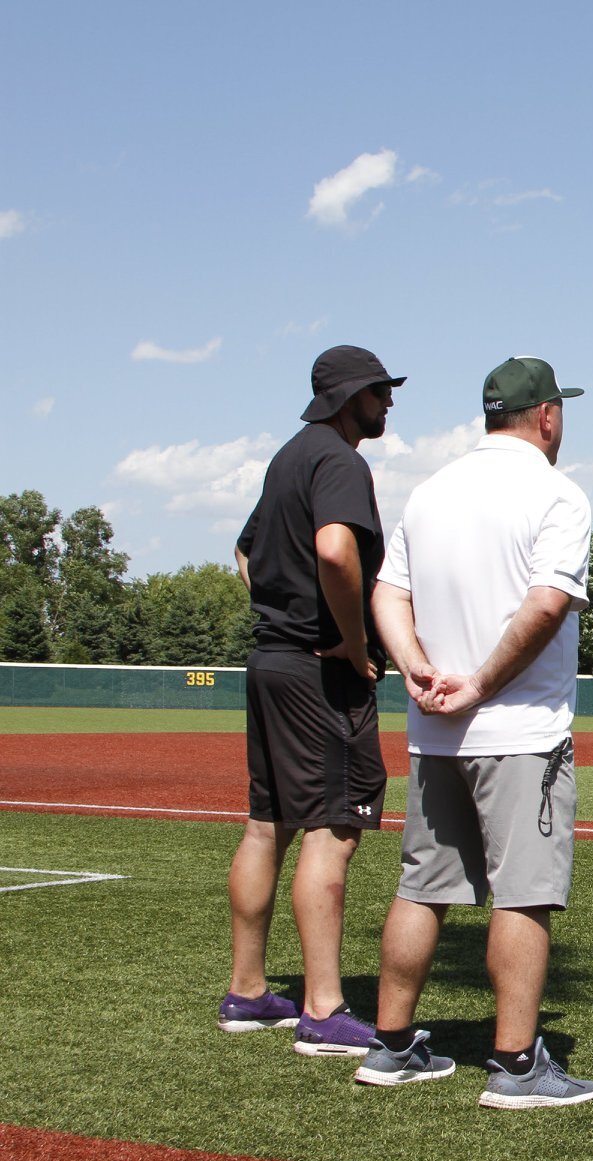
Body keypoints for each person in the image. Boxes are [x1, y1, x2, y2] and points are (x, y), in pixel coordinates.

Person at [360, 355, 593, 1108]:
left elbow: (386, 592)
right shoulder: (558, 494)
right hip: (519, 730)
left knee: (421, 889)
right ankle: (517, 1064)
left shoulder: (430, 492)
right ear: (548, 417)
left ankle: (392, 1046)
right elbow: (544, 605)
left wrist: (416, 667)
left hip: (434, 733)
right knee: (522, 897)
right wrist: (480, 683)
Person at [220, 345, 402, 1056]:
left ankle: (248, 990)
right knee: (332, 827)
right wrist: (352, 642)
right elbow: (334, 550)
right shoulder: (338, 460)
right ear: (350, 395)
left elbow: (244, 551)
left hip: (270, 660)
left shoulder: (286, 458)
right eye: (380, 392)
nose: (388, 403)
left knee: (267, 825)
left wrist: (281, 612)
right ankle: (323, 1009)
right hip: (318, 673)